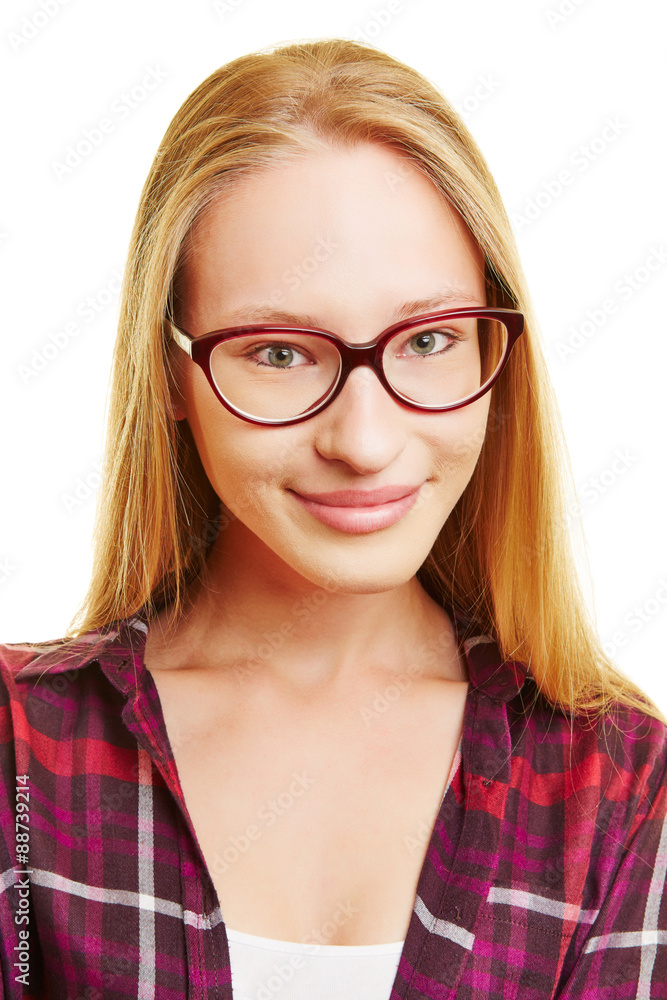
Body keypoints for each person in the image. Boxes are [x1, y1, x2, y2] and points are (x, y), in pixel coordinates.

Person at [1, 37, 665, 1000]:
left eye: (430, 339)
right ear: (172, 376)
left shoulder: (616, 790)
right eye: (279, 353)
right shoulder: (23, 750)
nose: (363, 439)